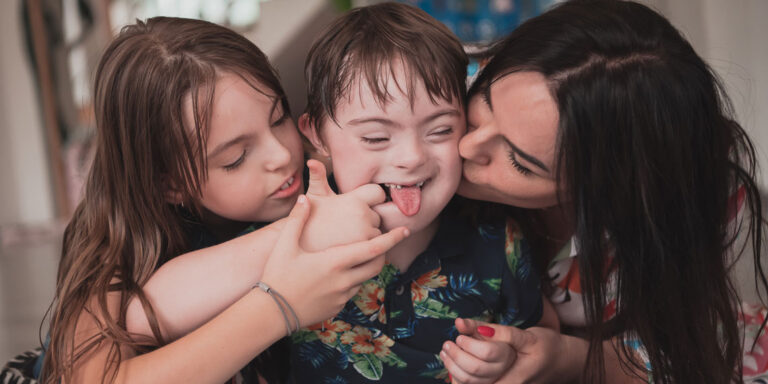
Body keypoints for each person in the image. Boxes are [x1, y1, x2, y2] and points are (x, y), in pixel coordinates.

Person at [39, 16, 408, 384]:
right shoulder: (114, 242)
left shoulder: (328, 172)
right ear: (170, 184)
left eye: (279, 118)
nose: (280, 155)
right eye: (235, 157)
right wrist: (280, 302)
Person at [437, 1, 768, 383]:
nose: (466, 147)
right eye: (485, 104)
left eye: (521, 163)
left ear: (605, 192)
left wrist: (568, 356)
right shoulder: (425, 85)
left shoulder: (693, 195)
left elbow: (677, 342)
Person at [291, 3, 551, 382]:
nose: (411, 158)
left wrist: (504, 357)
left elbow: (541, 337)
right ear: (317, 135)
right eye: (376, 137)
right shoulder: (286, 228)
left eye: (441, 130)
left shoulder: (499, 241)